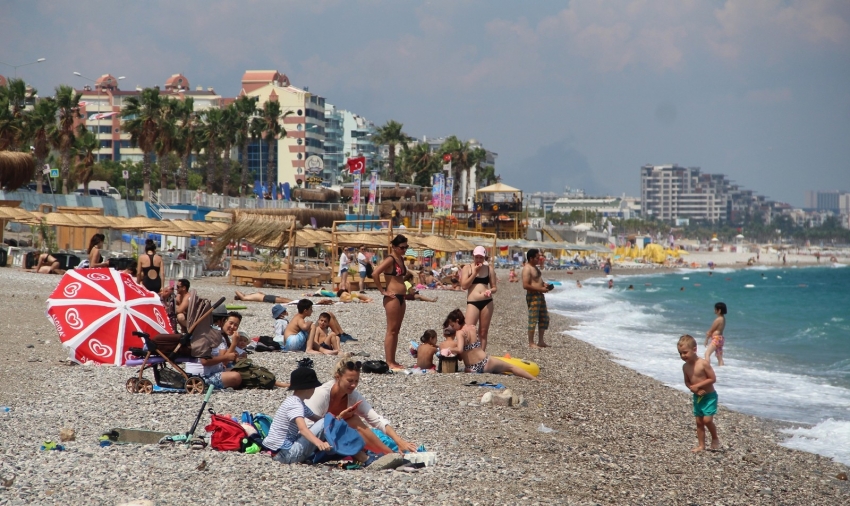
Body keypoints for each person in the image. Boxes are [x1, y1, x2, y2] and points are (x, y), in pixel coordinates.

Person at [305, 357, 419, 455]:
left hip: (330, 439)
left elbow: (377, 419)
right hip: (310, 442)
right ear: (338, 377)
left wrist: (399, 441)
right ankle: (389, 454)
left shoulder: (353, 396)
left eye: (356, 381)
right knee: (353, 420)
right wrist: (340, 418)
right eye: (350, 381)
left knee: (363, 428)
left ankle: (389, 453)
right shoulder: (322, 394)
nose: (354, 385)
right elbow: (308, 426)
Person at [442, 309, 539, 381]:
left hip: (472, 368)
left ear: (457, 321)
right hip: (485, 362)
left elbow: (460, 350)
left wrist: (450, 349)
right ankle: (534, 379)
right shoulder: (472, 328)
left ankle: (534, 379)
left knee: (509, 368)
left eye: (453, 325)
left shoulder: (460, 333)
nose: (454, 328)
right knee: (511, 367)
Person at [263, 367, 333, 464]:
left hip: (275, 450)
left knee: (325, 421)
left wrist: (337, 418)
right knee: (324, 423)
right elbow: (303, 429)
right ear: (307, 388)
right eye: (313, 387)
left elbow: (317, 419)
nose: (314, 390)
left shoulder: (293, 400)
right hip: (285, 454)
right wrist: (319, 443)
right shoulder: (296, 405)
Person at [371, 234, 410, 370]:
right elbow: (375, 273)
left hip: (401, 297)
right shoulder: (390, 259)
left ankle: (393, 360)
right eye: (402, 247)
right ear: (394, 247)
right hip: (392, 298)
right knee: (391, 330)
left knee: (396, 330)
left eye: (406, 247)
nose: (404, 250)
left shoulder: (400, 259)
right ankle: (389, 362)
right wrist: (382, 291)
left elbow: (400, 278)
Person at [677, 334, 720, 452]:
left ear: (694, 350)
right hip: (697, 397)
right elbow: (687, 381)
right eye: (680, 353)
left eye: (685, 352)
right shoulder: (685, 367)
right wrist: (692, 388)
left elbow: (712, 379)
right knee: (699, 422)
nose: (683, 356)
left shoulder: (703, 363)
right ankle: (701, 445)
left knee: (707, 420)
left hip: (709, 397)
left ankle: (715, 438)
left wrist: (698, 385)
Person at [183, 305, 242, 389]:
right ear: (222, 321)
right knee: (236, 377)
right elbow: (205, 361)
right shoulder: (204, 335)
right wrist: (228, 355)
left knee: (241, 372)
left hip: (211, 373)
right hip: (200, 377)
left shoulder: (211, 333)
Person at [461, 246, 497, 351]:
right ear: (473, 256)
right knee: (468, 331)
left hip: (487, 302)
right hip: (473, 302)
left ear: (484, 257)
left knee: (483, 332)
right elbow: (464, 286)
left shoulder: (489, 269)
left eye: (481, 257)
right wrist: (475, 273)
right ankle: (469, 356)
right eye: (477, 257)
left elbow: (494, 287)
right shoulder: (467, 268)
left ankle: (481, 358)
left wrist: (490, 291)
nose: (479, 260)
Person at [522, 249, 552, 349]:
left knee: (544, 318)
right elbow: (525, 285)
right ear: (531, 258)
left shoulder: (535, 267)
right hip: (533, 296)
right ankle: (531, 343)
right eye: (537, 258)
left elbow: (538, 280)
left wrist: (544, 284)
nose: (539, 259)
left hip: (540, 295)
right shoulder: (527, 268)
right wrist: (540, 288)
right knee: (533, 318)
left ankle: (541, 341)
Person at [704, 302, 727, 366]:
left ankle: (707, 368)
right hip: (721, 339)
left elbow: (711, 331)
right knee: (719, 357)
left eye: (715, 309)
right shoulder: (723, 319)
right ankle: (722, 370)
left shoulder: (718, 319)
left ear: (719, 310)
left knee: (707, 354)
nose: (714, 310)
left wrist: (706, 340)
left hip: (716, 339)